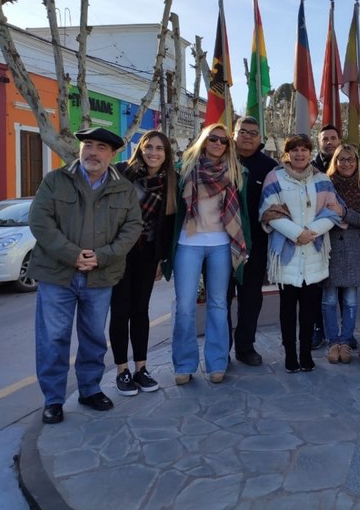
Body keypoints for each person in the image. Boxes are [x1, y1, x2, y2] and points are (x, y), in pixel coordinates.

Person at [29, 127, 142, 424]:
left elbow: (132, 228)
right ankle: (53, 399)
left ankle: (90, 390)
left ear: (113, 154)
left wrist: (101, 256)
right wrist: (72, 254)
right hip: (57, 275)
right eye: (88, 145)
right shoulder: (56, 180)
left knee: (93, 337)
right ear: (80, 149)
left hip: (100, 276)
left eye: (101, 147)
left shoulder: (124, 189)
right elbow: (40, 222)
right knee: (53, 339)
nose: (92, 151)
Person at [169, 123, 249, 386]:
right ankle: (184, 364)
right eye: (213, 138)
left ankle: (217, 363)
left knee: (218, 304)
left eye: (224, 141)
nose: (218, 144)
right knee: (184, 306)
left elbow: (244, 213)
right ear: (204, 140)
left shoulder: (237, 173)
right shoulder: (185, 170)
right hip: (188, 243)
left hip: (221, 245)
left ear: (229, 146)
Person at [260, 134, 341, 373]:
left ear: (309, 152)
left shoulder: (322, 179)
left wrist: (311, 232)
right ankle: (290, 355)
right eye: (294, 149)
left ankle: (305, 354)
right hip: (287, 253)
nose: (300, 154)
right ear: (287, 153)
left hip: (314, 253)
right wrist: (297, 234)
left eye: (304, 149)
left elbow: (334, 211)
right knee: (287, 309)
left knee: (308, 310)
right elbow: (269, 211)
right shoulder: (274, 177)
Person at [110, 130, 177, 396]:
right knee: (120, 311)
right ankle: (121, 371)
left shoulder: (172, 181)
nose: (154, 153)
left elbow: (168, 224)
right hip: (119, 252)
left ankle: (141, 368)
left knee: (140, 310)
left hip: (148, 254)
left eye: (160, 148)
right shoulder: (122, 173)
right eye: (149, 147)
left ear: (166, 154)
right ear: (141, 148)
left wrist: (162, 258)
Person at [226, 117, 278, 367]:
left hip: (256, 245)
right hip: (221, 244)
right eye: (242, 131)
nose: (247, 136)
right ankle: (220, 349)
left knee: (250, 298)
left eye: (253, 133)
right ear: (233, 135)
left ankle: (245, 347)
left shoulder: (270, 167)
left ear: (260, 138)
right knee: (220, 298)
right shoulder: (221, 159)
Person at [322, 144, 360, 364]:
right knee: (328, 298)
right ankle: (332, 342)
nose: (346, 163)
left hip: (356, 247)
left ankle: (346, 341)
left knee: (350, 299)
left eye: (351, 159)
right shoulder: (325, 184)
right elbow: (318, 211)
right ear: (334, 162)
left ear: (357, 162)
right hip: (330, 245)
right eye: (341, 159)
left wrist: (344, 213)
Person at [309, 123, 342, 349]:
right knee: (317, 289)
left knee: (342, 289)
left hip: (344, 237)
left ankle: (341, 333)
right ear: (319, 142)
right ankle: (318, 329)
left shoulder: (348, 164)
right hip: (316, 236)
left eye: (333, 138)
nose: (329, 142)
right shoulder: (310, 169)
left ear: (339, 141)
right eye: (325, 139)